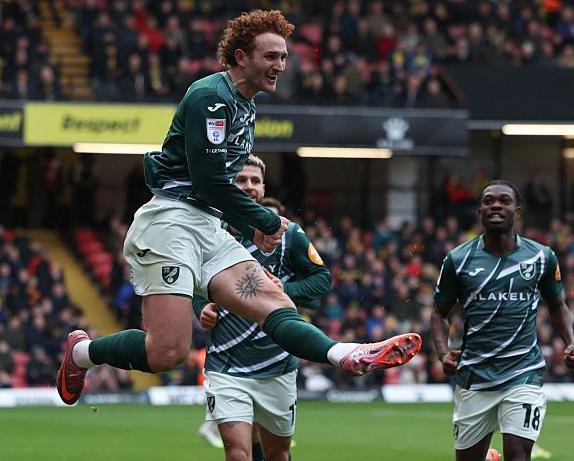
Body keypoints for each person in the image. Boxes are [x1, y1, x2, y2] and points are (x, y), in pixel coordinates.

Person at [56, 10, 421, 407]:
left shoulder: (246, 106)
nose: (280, 66)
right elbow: (209, 182)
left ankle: (346, 354)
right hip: (170, 224)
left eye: (284, 57)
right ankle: (81, 353)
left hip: (208, 225)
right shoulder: (211, 97)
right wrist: (263, 218)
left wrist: (249, 222)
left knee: (275, 301)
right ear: (241, 57)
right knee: (167, 353)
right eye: (271, 56)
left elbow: (217, 189)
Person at [430, 180, 574, 461]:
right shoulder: (458, 260)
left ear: (518, 211)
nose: (496, 206)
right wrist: (443, 353)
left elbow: (557, 304)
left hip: (523, 372)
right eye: (488, 201)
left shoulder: (541, 257)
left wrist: (570, 343)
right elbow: (439, 313)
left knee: (518, 454)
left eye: (504, 201)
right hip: (475, 375)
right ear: (480, 211)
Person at [196, 156, 331, 460]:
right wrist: (200, 306)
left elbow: (323, 280)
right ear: (227, 185)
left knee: (278, 454)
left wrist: (285, 290)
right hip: (226, 364)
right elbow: (191, 281)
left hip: (277, 364)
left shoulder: (288, 234)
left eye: (255, 181)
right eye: (241, 180)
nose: (249, 186)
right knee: (237, 453)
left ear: (264, 188)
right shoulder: (210, 233)